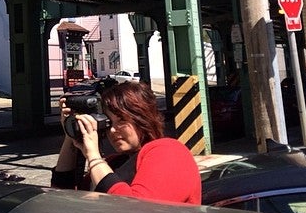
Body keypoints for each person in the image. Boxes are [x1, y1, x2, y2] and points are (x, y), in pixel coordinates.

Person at [51, 81, 201, 204]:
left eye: (121, 120)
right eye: (109, 122)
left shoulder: (169, 151)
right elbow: (63, 195)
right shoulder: (113, 163)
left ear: (142, 118)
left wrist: (94, 156)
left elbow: (136, 209)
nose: (113, 130)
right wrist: (70, 135)